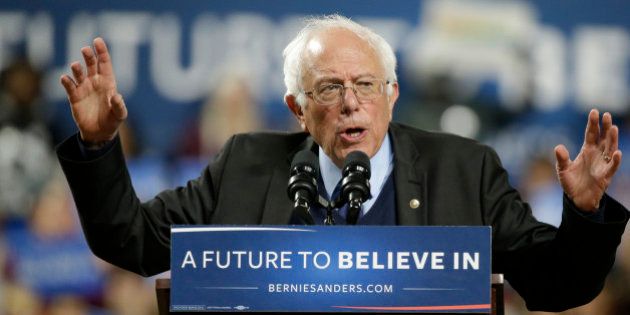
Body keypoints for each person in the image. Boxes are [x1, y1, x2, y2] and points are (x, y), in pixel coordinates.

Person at [56, 15, 628, 312]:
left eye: (366, 85)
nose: (351, 101)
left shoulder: (464, 169)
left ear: (394, 93)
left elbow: (559, 286)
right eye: (329, 88)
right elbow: (129, 239)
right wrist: (100, 145)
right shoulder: (246, 165)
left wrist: (584, 210)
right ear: (298, 110)